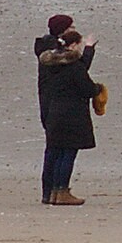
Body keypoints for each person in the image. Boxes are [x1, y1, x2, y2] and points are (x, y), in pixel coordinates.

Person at [34, 14, 104, 205]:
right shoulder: (69, 63)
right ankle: (60, 191)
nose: (74, 28)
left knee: (54, 152)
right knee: (65, 153)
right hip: (67, 112)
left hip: (52, 108)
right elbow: (83, 81)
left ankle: (50, 193)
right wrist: (98, 88)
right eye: (71, 27)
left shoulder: (49, 59)